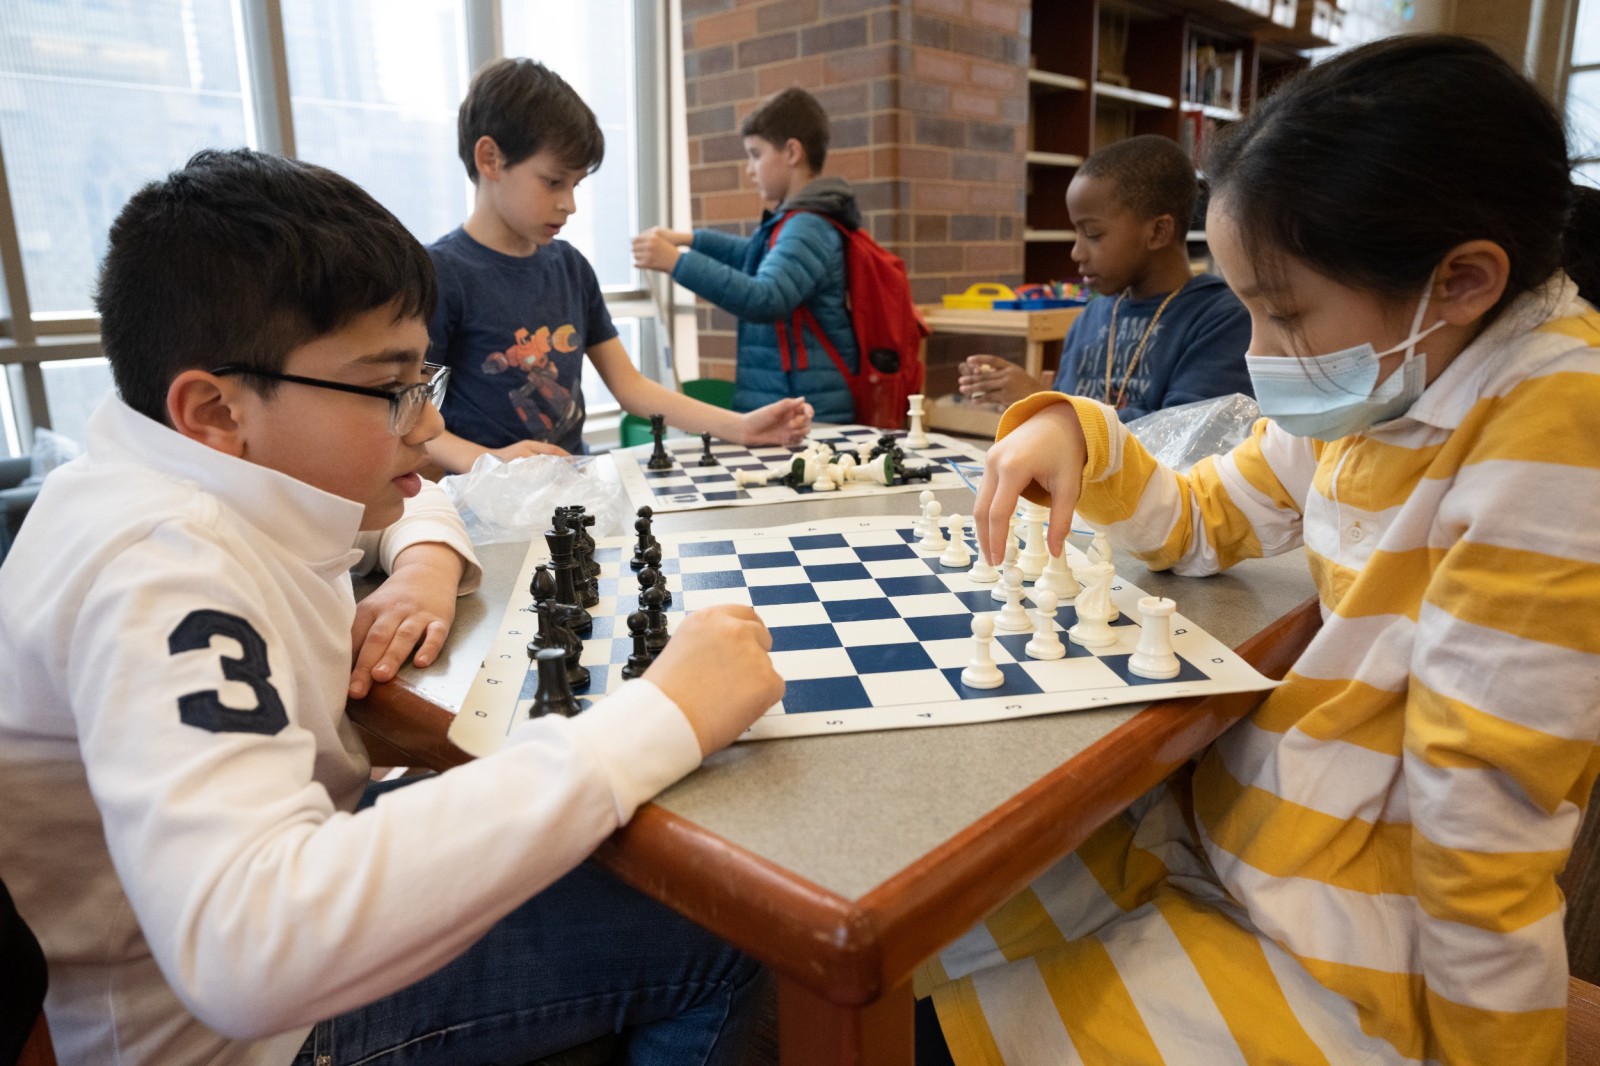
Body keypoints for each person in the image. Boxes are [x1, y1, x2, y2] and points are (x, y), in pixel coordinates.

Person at [0, 148, 785, 1066]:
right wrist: (656, 718)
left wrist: (420, 562)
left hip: (268, 935)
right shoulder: (161, 570)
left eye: (425, 383)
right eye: (388, 389)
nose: (422, 425)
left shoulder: (167, 476)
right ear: (215, 408)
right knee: (732, 937)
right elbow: (249, 946)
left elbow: (411, 496)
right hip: (249, 1040)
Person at [922, 36, 1600, 1065]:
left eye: (1281, 313)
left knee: (948, 1001)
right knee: (943, 942)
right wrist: (1073, 431)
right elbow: (1204, 518)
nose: (1257, 353)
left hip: (1361, 938)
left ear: (1460, 281)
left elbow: (1484, 826)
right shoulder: (1383, 370)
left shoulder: (1555, 436)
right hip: (1250, 836)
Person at [427, 58, 812, 473]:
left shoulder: (570, 267)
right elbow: (408, 419)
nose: (569, 204)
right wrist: (491, 463)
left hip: (568, 492)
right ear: (490, 159)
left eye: (575, 185)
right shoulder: (440, 275)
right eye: (554, 181)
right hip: (477, 507)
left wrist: (742, 428)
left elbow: (630, 387)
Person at [955, 135, 1253, 418]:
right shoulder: (1091, 318)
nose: (1076, 252)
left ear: (1159, 231)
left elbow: (1182, 440)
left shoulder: (1222, 320)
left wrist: (1045, 402)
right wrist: (1025, 401)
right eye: (1077, 232)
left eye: (1093, 234)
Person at [632, 87, 860, 423]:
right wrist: (689, 239)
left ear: (792, 152)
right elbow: (751, 255)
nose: (749, 170)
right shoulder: (795, 220)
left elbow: (765, 298)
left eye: (755, 154)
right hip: (795, 402)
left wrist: (676, 261)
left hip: (807, 414)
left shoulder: (807, 225)